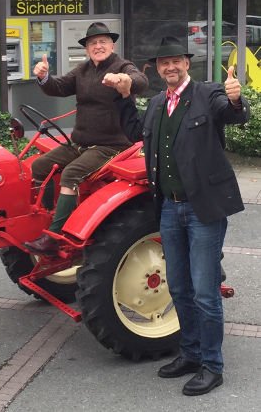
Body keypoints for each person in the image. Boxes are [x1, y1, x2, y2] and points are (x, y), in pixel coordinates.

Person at [107, 36, 250, 396]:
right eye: (164, 62)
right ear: (158, 68)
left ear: (187, 63)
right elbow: (137, 133)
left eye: (176, 61)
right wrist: (124, 98)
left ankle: (212, 366)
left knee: (204, 292)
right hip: (169, 208)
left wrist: (236, 99)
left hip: (203, 208)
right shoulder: (157, 103)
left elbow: (232, 113)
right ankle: (190, 353)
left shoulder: (209, 93)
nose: (170, 67)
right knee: (180, 288)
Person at [23, 22, 148, 255]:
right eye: (93, 43)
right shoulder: (82, 70)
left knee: (71, 174)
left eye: (102, 42)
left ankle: (55, 237)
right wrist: (43, 76)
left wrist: (125, 81)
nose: (98, 46)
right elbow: (59, 87)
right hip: (80, 142)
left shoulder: (122, 66)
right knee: (39, 166)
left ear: (112, 45)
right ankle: (49, 215)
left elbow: (140, 80)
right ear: (87, 48)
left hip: (111, 145)